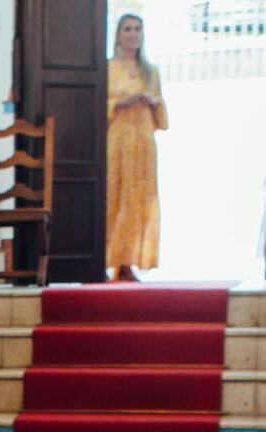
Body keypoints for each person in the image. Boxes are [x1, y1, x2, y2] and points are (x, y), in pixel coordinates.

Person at [106, 11, 167, 280]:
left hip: (143, 143)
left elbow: (161, 117)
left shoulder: (150, 70)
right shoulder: (108, 68)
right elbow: (99, 105)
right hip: (117, 141)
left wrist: (153, 102)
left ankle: (130, 261)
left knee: (141, 200)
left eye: (137, 29)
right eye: (128, 29)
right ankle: (111, 260)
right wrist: (121, 102)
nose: (133, 34)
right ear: (119, 35)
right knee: (115, 197)